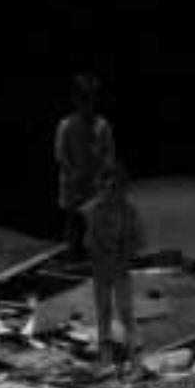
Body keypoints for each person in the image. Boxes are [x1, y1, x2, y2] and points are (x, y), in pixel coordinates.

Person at [54, 73, 118, 254]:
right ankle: (72, 255)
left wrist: (103, 176)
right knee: (74, 225)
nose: (87, 104)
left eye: (90, 99)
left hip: (95, 187)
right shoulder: (65, 125)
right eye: (83, 99)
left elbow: (109, 154)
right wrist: (73, 174)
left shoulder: (102, 125)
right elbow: (60, 154)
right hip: (73, 187)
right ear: (75, 100)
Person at [83, 167, 142, 365]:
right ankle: (105, 357)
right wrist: (100, 258)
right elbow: (90, 241)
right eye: (104, 187)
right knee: (104, 312)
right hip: (102, 267)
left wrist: (123, 260)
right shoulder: (95, 211)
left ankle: (134, 355)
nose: (108, 191)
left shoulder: (128, 211)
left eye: (113, 187)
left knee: (125, 311)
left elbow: (135, 240)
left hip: (120, 267)